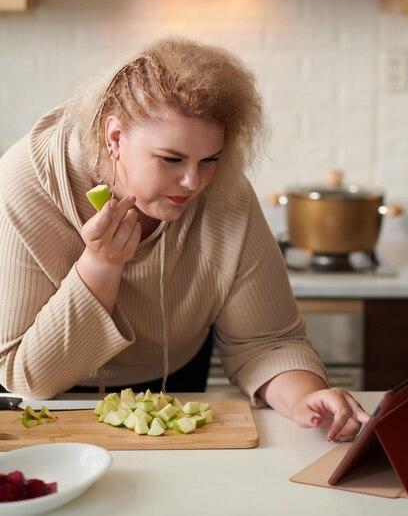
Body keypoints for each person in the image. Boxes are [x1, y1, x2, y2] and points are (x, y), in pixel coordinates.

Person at [0, 36, 369, 441]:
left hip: (170, 388)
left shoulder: (224, 191)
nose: (192, 182)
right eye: (171, 159)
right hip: (48, 410)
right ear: (115, 137)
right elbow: (26, 378)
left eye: (209, 159)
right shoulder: (24, 183)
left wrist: (306, 399)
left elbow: (268, 341)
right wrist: (101, 265)